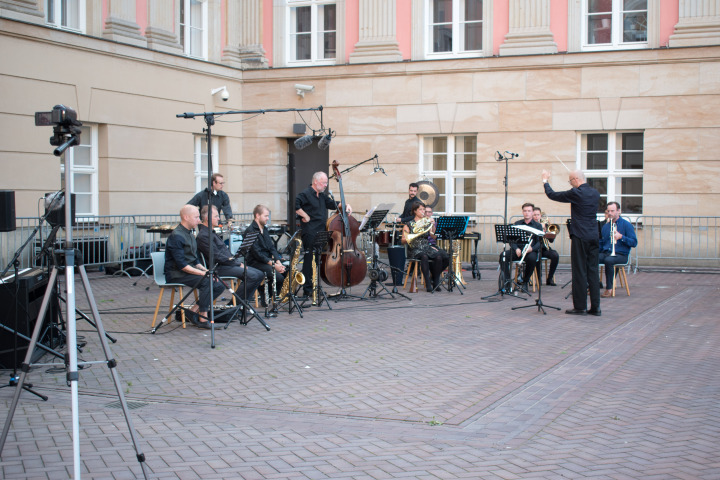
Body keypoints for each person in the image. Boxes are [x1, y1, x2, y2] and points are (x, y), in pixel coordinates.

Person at [542, 169, 601, 316]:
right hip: (594, 235)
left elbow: (553, 195)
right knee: (593, 271)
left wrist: (545, 180)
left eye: (570, 181)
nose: (570, 184)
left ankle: (580, 307)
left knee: (579, 271)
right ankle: (596, 307)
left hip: (580, 235)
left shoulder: (576, 193)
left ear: (575, 179)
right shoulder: (595, 193)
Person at [164, 205, 224, 328]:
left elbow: (195, 259)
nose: (199, 220)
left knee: (219, 284)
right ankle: (203, 318)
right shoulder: (177, 236)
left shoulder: (190, 234)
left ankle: (192, 311)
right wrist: (203, 274)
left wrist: (206, 270)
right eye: (196, 217)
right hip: (176, 274)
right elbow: (182, 266)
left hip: (187, 271)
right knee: (208, 282)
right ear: (186, 217)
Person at [295, 171, 351, 299]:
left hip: (321, 232)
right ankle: (307, 290)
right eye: (324, 182)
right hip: (309, 232)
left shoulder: (322, 196)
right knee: (309, 262)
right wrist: (305, 215)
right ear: (316, 181)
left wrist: (346, 205)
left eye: (326, 182)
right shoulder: (306, 193)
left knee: (317, 261)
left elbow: (334, 204)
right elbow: (296, 205)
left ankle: (316, 288)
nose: (326, 185)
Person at [196, 205, 264, 302]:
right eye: (216, 216)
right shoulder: (204, 235)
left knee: (260, 274)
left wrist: (236, 261)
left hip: (227, 265)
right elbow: (217, 257)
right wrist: (237, 263)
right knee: (253, 275)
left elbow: (224, 254)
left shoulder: (211, 233)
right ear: (207, 218)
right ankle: (236, 305)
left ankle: (242, 304)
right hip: (218, 268)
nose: (219, 218)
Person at [402, 202, 450, 292]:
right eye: (421, 209)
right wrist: (414, 235)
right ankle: (428, 283)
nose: (423, 211)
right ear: (415, 211)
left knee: (442, 257)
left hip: (425, 246)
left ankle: (435, 279)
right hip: (414, 248)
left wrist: (433, 225)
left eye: (424, 209)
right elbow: (403, 240)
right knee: (424, 257)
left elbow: (434, 237)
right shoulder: (408, 224)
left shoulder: (426, 222)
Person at [245, 205, 287, 302]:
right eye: (266, 216)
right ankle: (266, 295)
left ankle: (269, 294)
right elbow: (257, 254)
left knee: (286, 271)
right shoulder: (250, 231)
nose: (268, 219)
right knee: (279, 278)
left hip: (266, 260)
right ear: (257, 215)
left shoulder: (265, 229)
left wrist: (278, 261)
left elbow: (271, 247)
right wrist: (273, 265)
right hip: (255, 262)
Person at [598, 202, 637, 298]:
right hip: (607, 252)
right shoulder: (606, 226)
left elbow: (634, 242)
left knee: (609, 261)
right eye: (608, 211)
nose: (610, 213)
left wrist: (621, 237)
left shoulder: (626, 225)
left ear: (619, 211)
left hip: (621, 255)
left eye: (612, 211)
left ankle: (609, 289)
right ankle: (592, 286)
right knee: (592, 258)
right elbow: (601, 243)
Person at [508, 203, 543, 291]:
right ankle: (507, 281)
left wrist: (532, 249)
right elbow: (511, 240)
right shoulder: (517, 224)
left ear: (532, 213)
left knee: (532, 259)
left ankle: (525, 281)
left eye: (529, 211)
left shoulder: (537, 225)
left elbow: (539, 242)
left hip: (530, 251)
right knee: (503, 256)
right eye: (525, 211)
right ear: (522, 212)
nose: (527, 213)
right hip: (518, 251)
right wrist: (516, 248)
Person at [532, 206, 560, 286]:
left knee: (555, 255)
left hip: (545, 248)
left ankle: (549, 278)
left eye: (538, 215)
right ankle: (538, 278)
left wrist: (547, 231)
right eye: (534, 215)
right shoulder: (531, 224)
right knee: (537, 257)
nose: (536, 217)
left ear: (540, 215)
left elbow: (551, 241)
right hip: (535, 249)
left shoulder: (545, 225)